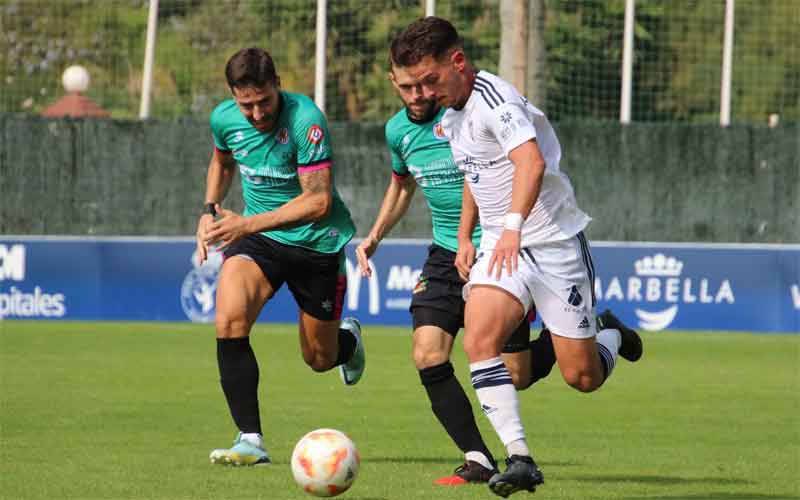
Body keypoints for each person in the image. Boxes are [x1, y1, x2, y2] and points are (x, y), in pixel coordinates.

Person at [389, 17, 643, 498]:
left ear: (458, 62)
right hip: (500, 247)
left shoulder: (494, 101)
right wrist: (466, 236)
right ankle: (520, 459)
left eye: (429, 80)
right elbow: (476, 174)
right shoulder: (450, 114)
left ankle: (609, 332)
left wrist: (510, 228)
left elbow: (531, 163)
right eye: (412, 84)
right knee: (478, 340)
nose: (421, 93)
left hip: (552, 244)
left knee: (582, 377)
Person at [355, 54, 558, 486]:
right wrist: (374, 236)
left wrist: (487, 234)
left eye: (421, 86)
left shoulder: (465, 113)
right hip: (446, 255)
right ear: (393, 80)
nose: (416, 95)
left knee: (517, 375)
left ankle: (576, 335)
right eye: (405, 87)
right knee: (427, 353)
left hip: (497, 250)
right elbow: (401, 185)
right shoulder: (397, 131)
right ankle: (479, 457)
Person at [195, 47, 366, 466]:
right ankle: (250, 439)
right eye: (245, 104)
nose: (254, 114)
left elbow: (318, 202)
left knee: (319, 359)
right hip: (260, 240)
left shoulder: (306, 120)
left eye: (263, 101)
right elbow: (222, 163)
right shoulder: (224, 118)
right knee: (229, 320)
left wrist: (246, 225)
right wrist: (209, 210)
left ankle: (348, 342)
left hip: (315, 243)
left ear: (278, 86)